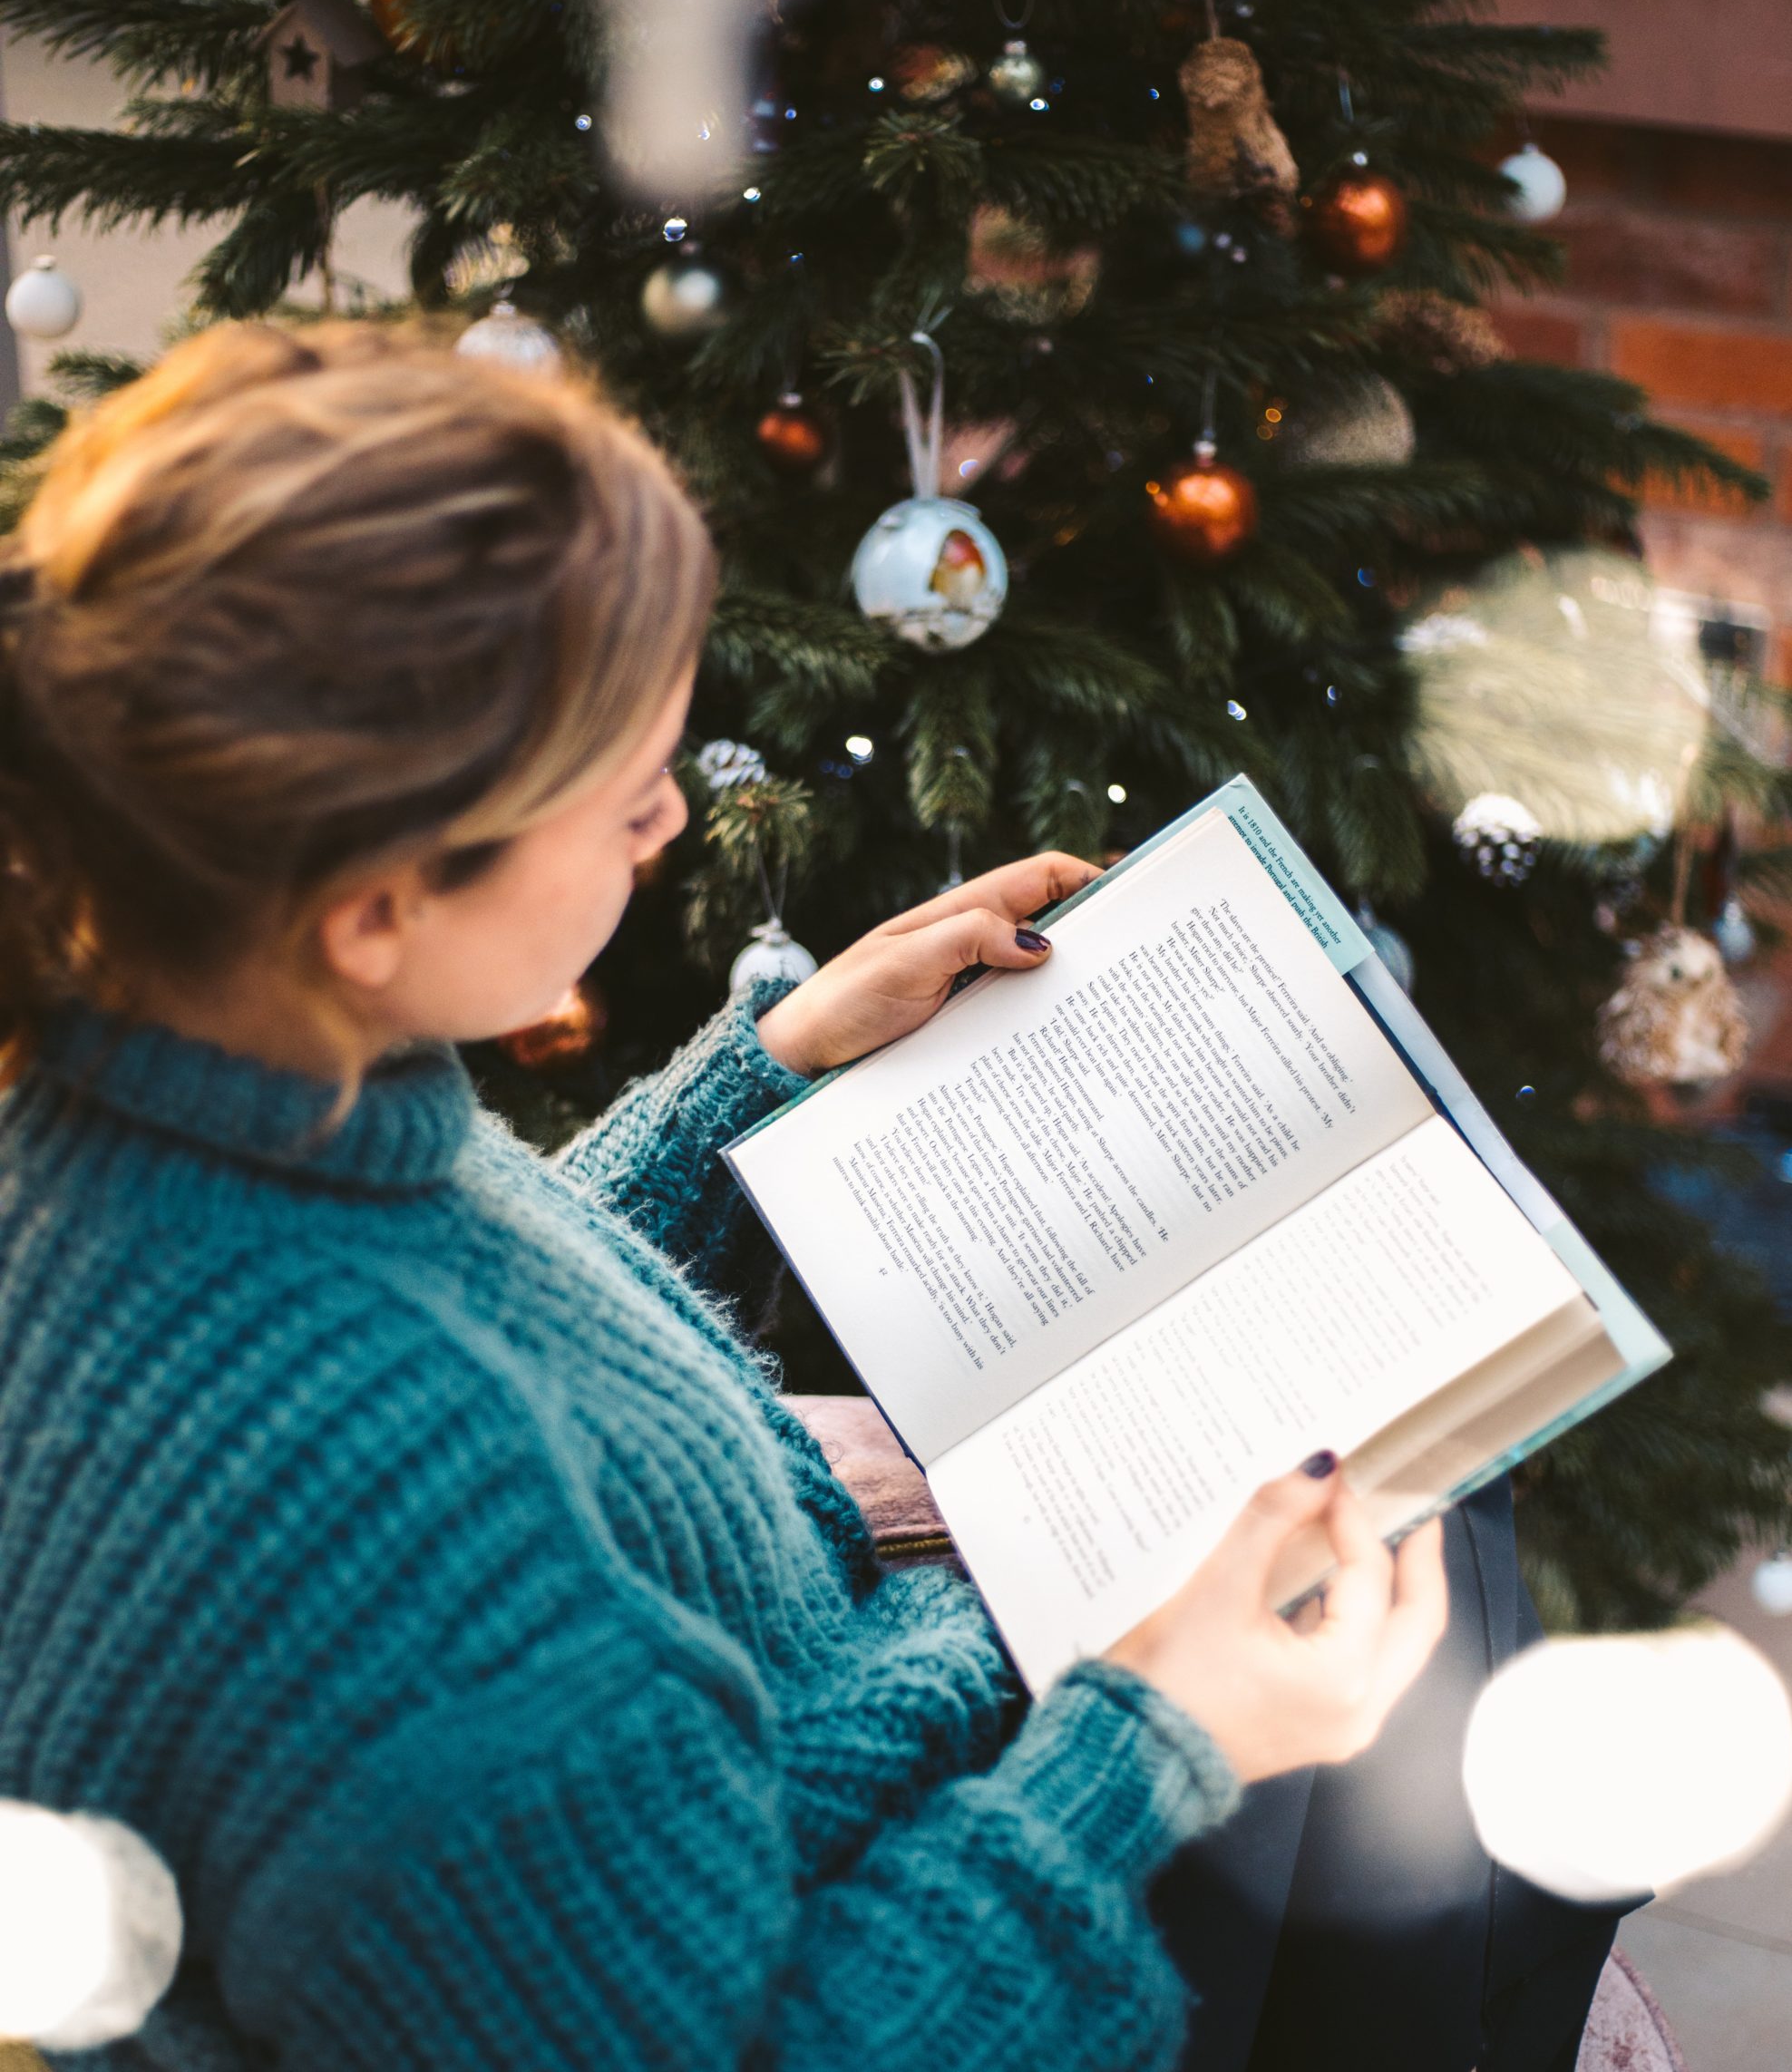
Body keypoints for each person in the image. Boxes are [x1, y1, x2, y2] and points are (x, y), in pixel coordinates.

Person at [0, 321, 1451, 2072]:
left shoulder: (191, 1075)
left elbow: (471, 1298)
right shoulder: (380, 1519)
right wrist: (1153, 1736)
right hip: (904, 1865)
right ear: (376, 905)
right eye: (622, 797)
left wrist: (766, 1076)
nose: (673, 819)